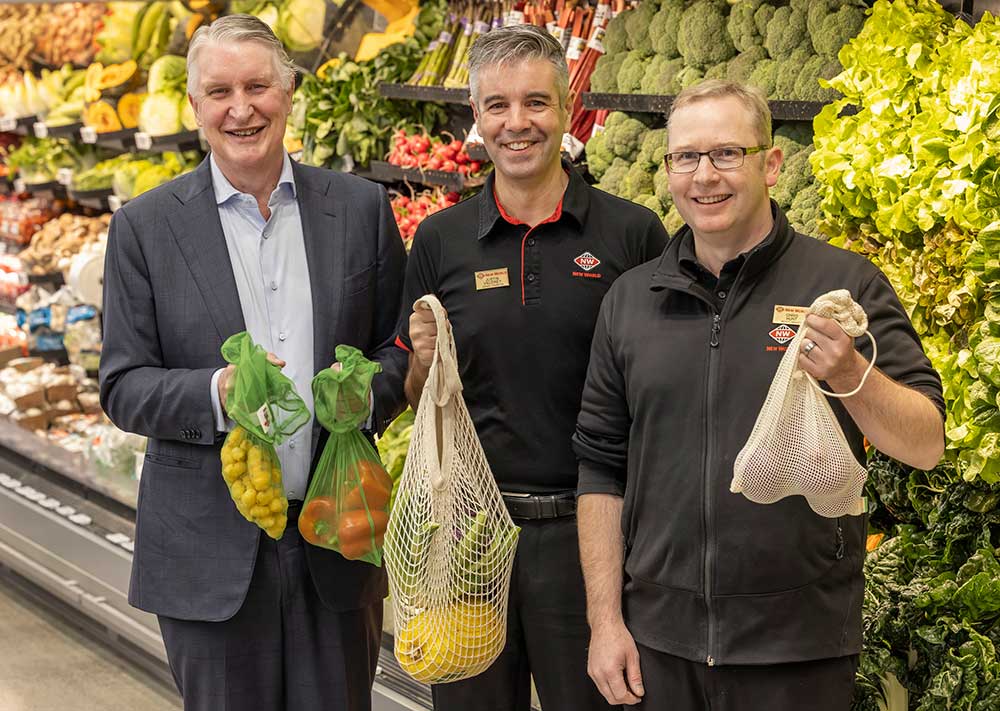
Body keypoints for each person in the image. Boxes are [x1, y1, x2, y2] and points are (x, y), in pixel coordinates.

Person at [573, 79, 946, 711]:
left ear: (770, 164)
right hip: (658, 644)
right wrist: (606, 622)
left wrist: (852, 374)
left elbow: (925, 442)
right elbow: (601, 472)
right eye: (685, 157)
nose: (704, 176)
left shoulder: (843, 284)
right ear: (668, 170)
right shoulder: (630, 301)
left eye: (726, 154)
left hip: (798, 646)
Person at [98, 15, 407, 711]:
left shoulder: (360, 210)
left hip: (336, 534)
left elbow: (398, 350)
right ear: (196, 106)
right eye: (220, 91)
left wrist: (368, 391)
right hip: (208, 554)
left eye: (258, 85)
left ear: (290, 90)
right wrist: (217, 390)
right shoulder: (145, 228)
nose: (242, 108)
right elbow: (122, 385)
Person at [395, 23, 668, 711]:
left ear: (564, 105)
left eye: (536, 103)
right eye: (497, 106)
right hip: (466, 540)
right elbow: (413, 389)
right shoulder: (440, 239)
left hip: (593, 541)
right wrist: (421, 363)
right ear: (477, 119)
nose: (517, 123)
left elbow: (664, 387)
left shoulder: (630, 233)